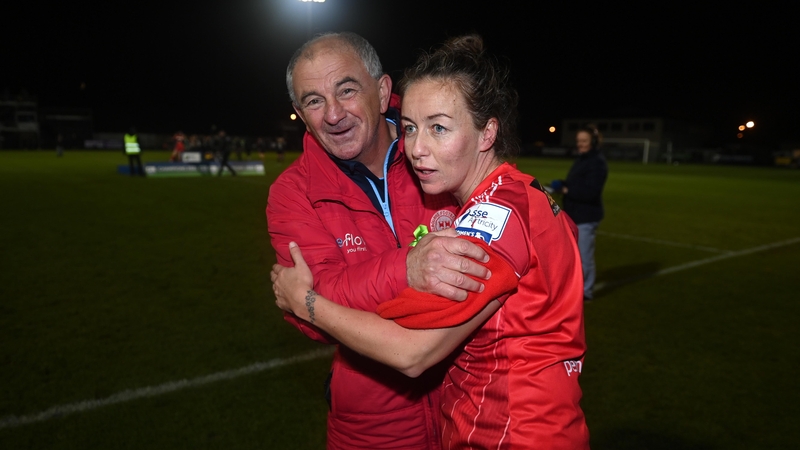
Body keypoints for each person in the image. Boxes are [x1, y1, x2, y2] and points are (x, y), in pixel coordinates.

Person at [272, 34, 590, 449]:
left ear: (486, 131)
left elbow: (411, 351)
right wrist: (408, 271)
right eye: (411, 129)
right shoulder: (514, 195)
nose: (418, 149)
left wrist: (308, 303)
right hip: (471, 424)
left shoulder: (494, 213)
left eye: (439, 128)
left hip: (511, 432)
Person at [267, 32, 492, 450]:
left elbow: (315, 300)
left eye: (346, 90)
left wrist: (319, 301)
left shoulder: (441, 153)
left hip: (471, 409)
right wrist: (410, 268)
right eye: (314, 101)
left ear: (383, 89)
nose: (333, 114)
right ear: (300, 112)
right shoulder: (292, 192)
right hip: (372, 429)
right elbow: (318, 305)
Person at [552, 125, 608, 301]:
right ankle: (575, 287)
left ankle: (586, 291)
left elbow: (591, 192)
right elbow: (574, 182)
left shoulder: (597, 162)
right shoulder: (583, 159)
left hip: (586, 217)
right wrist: (561, 184)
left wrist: (567, 190)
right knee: (571, 256)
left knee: (584, 257)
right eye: (578, 141)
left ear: (592, 141)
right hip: (574, 214)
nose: (580, 144)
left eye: (584, 141)